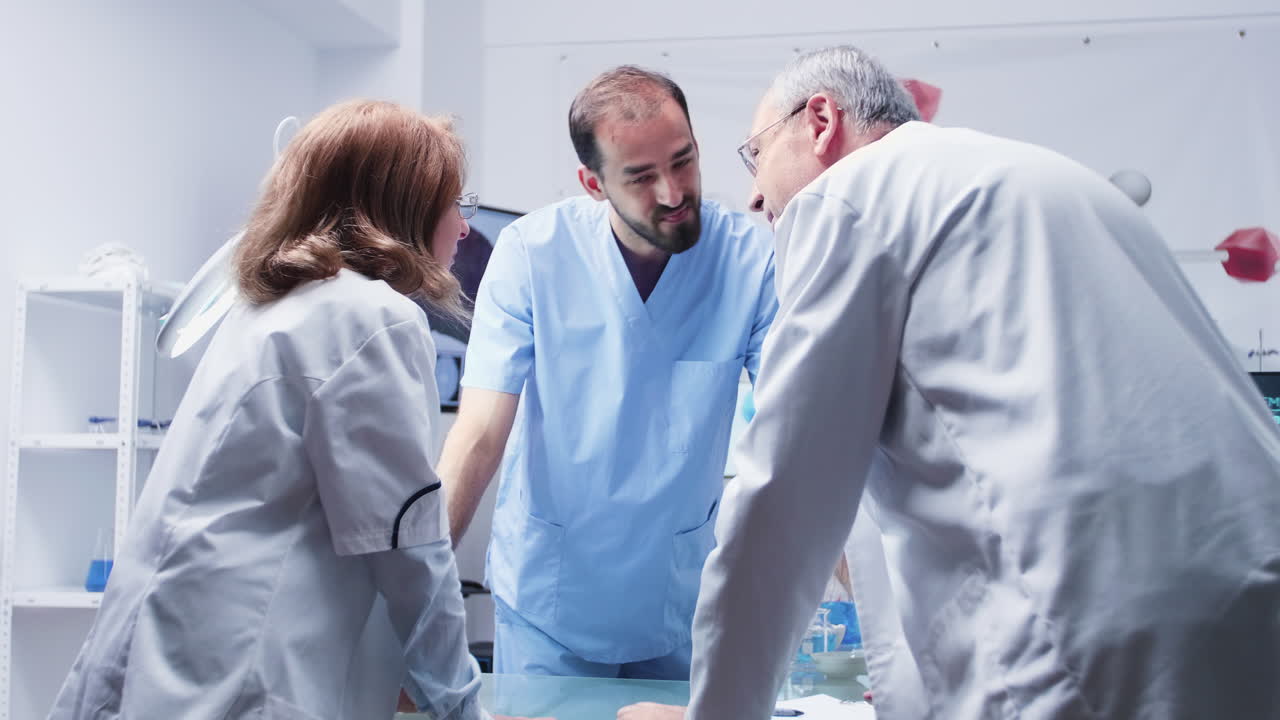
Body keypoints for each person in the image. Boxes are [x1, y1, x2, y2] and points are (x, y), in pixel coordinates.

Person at [621, 45, 1280, 720]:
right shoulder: (1052, 182)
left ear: (820, 121)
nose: (755, 195)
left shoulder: (847, 197)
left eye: (756, 154)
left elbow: (783, 498)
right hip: (1247, 607)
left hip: (1089, 633)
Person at [48, 100, 544, 720]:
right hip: (239, 678)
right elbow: (410, 552)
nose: (464, 228)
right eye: (454, 204)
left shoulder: (269, 306)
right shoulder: (371, 318)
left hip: (167, 658)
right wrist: (463, 708)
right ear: (404, 207)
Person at [439, 66, 777, 680]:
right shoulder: (531, 254)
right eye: (641, 177)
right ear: (593, 184)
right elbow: (481, 433)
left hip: (676, 599)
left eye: (684, 161)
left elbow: (797, 425)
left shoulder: (749, 260)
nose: (673, 193)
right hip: (550, 602)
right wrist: (422, 590)